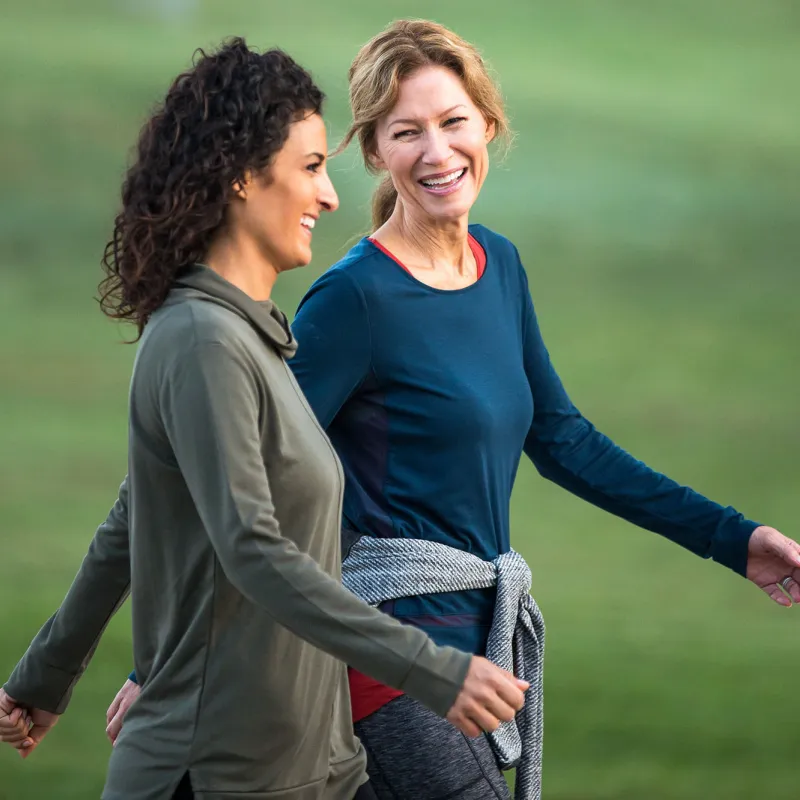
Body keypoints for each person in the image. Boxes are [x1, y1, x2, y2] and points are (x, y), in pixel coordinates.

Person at [101, 18, 800, 800]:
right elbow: (231, 476)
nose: (437, 153)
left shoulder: (498, 266)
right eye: (407, 132)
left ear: (489, 126)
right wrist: (158, 667)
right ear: (374, 151)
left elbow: (564, 439)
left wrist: (736, 541)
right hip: (384, 662)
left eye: (454, 122)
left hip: (473, 656)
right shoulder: (355, 299)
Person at [0, 37, 530, 800]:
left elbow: (133, 516)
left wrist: (46, 674)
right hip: (215, 771)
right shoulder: (200, 340)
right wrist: (432, 670)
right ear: (245, 179)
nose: (331, 196)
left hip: (305, 769)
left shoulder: (251, 336)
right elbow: (253, 548)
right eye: (311, 168)